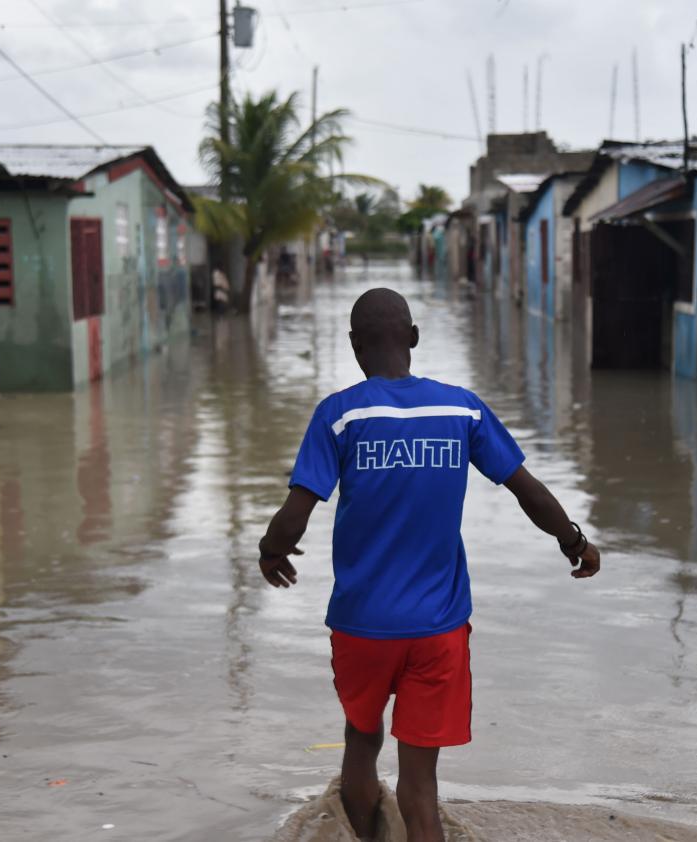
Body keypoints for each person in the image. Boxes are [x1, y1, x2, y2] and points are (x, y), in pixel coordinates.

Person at [257, 288, 601, 842]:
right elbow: (527, 490)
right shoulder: (460, 408)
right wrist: (574, 541)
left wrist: (270, 553)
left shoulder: (340, 416)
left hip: (361, 626)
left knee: (361, 745)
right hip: (438, 629)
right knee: (421, 788)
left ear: (353, 345)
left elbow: (295, 514)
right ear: (413, 338)